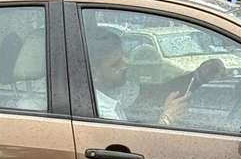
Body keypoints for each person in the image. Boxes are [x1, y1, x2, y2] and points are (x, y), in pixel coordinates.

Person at [86, 25, 225, 127]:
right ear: (94, 73)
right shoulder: (101, 113)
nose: (126, 64)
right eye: (116, 64)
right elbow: (130, 152)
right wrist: (167, 119)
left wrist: (197, 77)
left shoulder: (111, 90)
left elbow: (152, 93)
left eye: (123, 56)